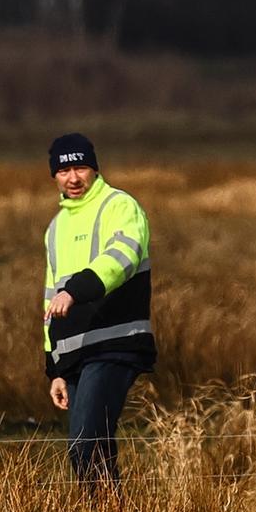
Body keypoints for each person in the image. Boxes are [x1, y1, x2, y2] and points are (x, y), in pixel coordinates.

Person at [40, 133, 155, 488]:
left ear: (94, 168)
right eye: (63, 170)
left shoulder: (119, 206)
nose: (73, 178)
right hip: (73, 353)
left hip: (114, 342)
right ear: (54, 175)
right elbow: (49, 298)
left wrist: (77, 290)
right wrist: (54, 368)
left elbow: (122, 257)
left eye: (80, 168)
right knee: (92, 447)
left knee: (85, 445)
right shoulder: (55, 228)